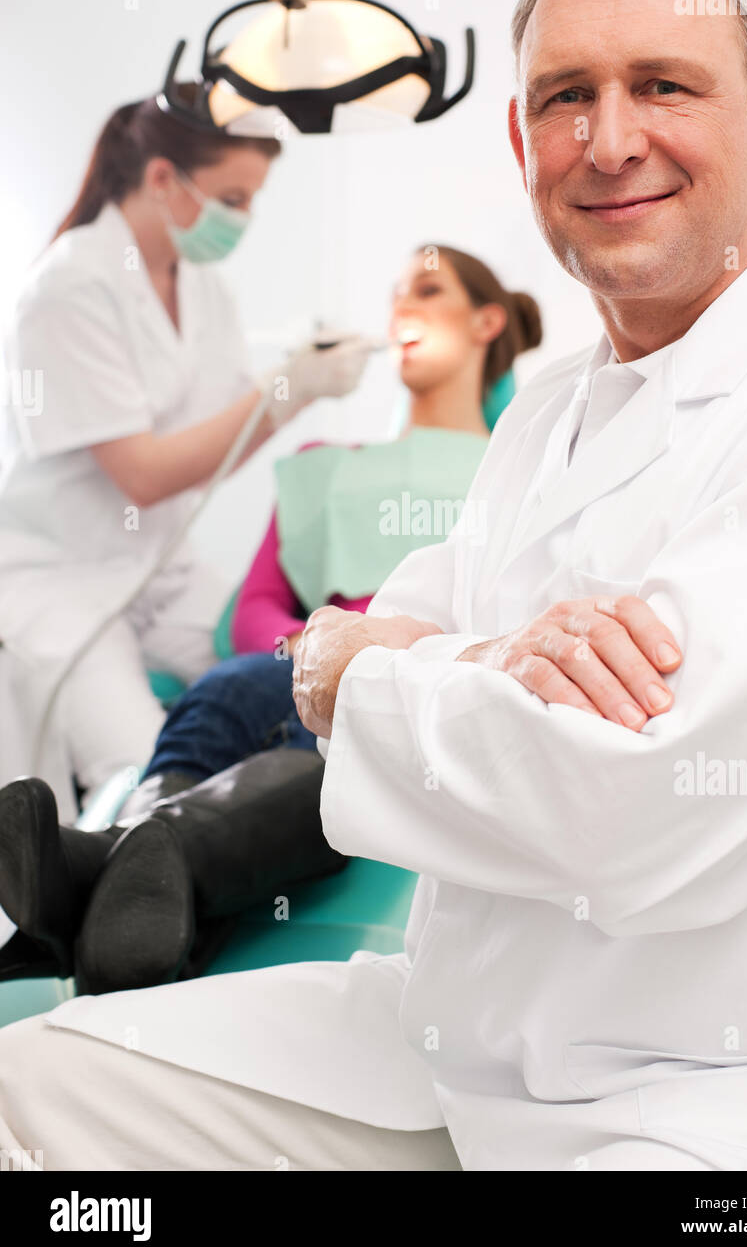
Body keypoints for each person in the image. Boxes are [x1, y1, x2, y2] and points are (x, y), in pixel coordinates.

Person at [2, 0, 747, 1173]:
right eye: (566, 97)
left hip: (707, 1097)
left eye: (662, 86)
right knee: (34, 1085)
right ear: (522, 143)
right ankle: (144, 839)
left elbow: (616, 803)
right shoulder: (549, 414)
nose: (608, 137)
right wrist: (451, 662)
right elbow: (321, 650)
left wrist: (384, 668)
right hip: (442, 1047)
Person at [0, 242, 552, 992]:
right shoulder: (327, 462)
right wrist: (311, 648)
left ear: (487, 322)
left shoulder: (521, 473)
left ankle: (102, 866)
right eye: (395, 295)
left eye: (426, 289)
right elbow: (255, 605)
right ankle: (138, 865)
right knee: (223, 694)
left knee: (354, 714)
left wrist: (363, 660)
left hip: (407, 686)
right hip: (281, 671)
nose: (401, 310)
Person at [0, 95, 372, 819]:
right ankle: (126, 906)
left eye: (252, 200)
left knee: (285, 684)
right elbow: (141, 475)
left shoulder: (203, 287)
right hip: (62, 583)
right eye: (232, 198)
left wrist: (294, 388)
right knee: (151, 773)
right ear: (163, 178)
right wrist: (287, 391)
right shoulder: (70, 286)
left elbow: (220, 448)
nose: (244, 218)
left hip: (161, 571)